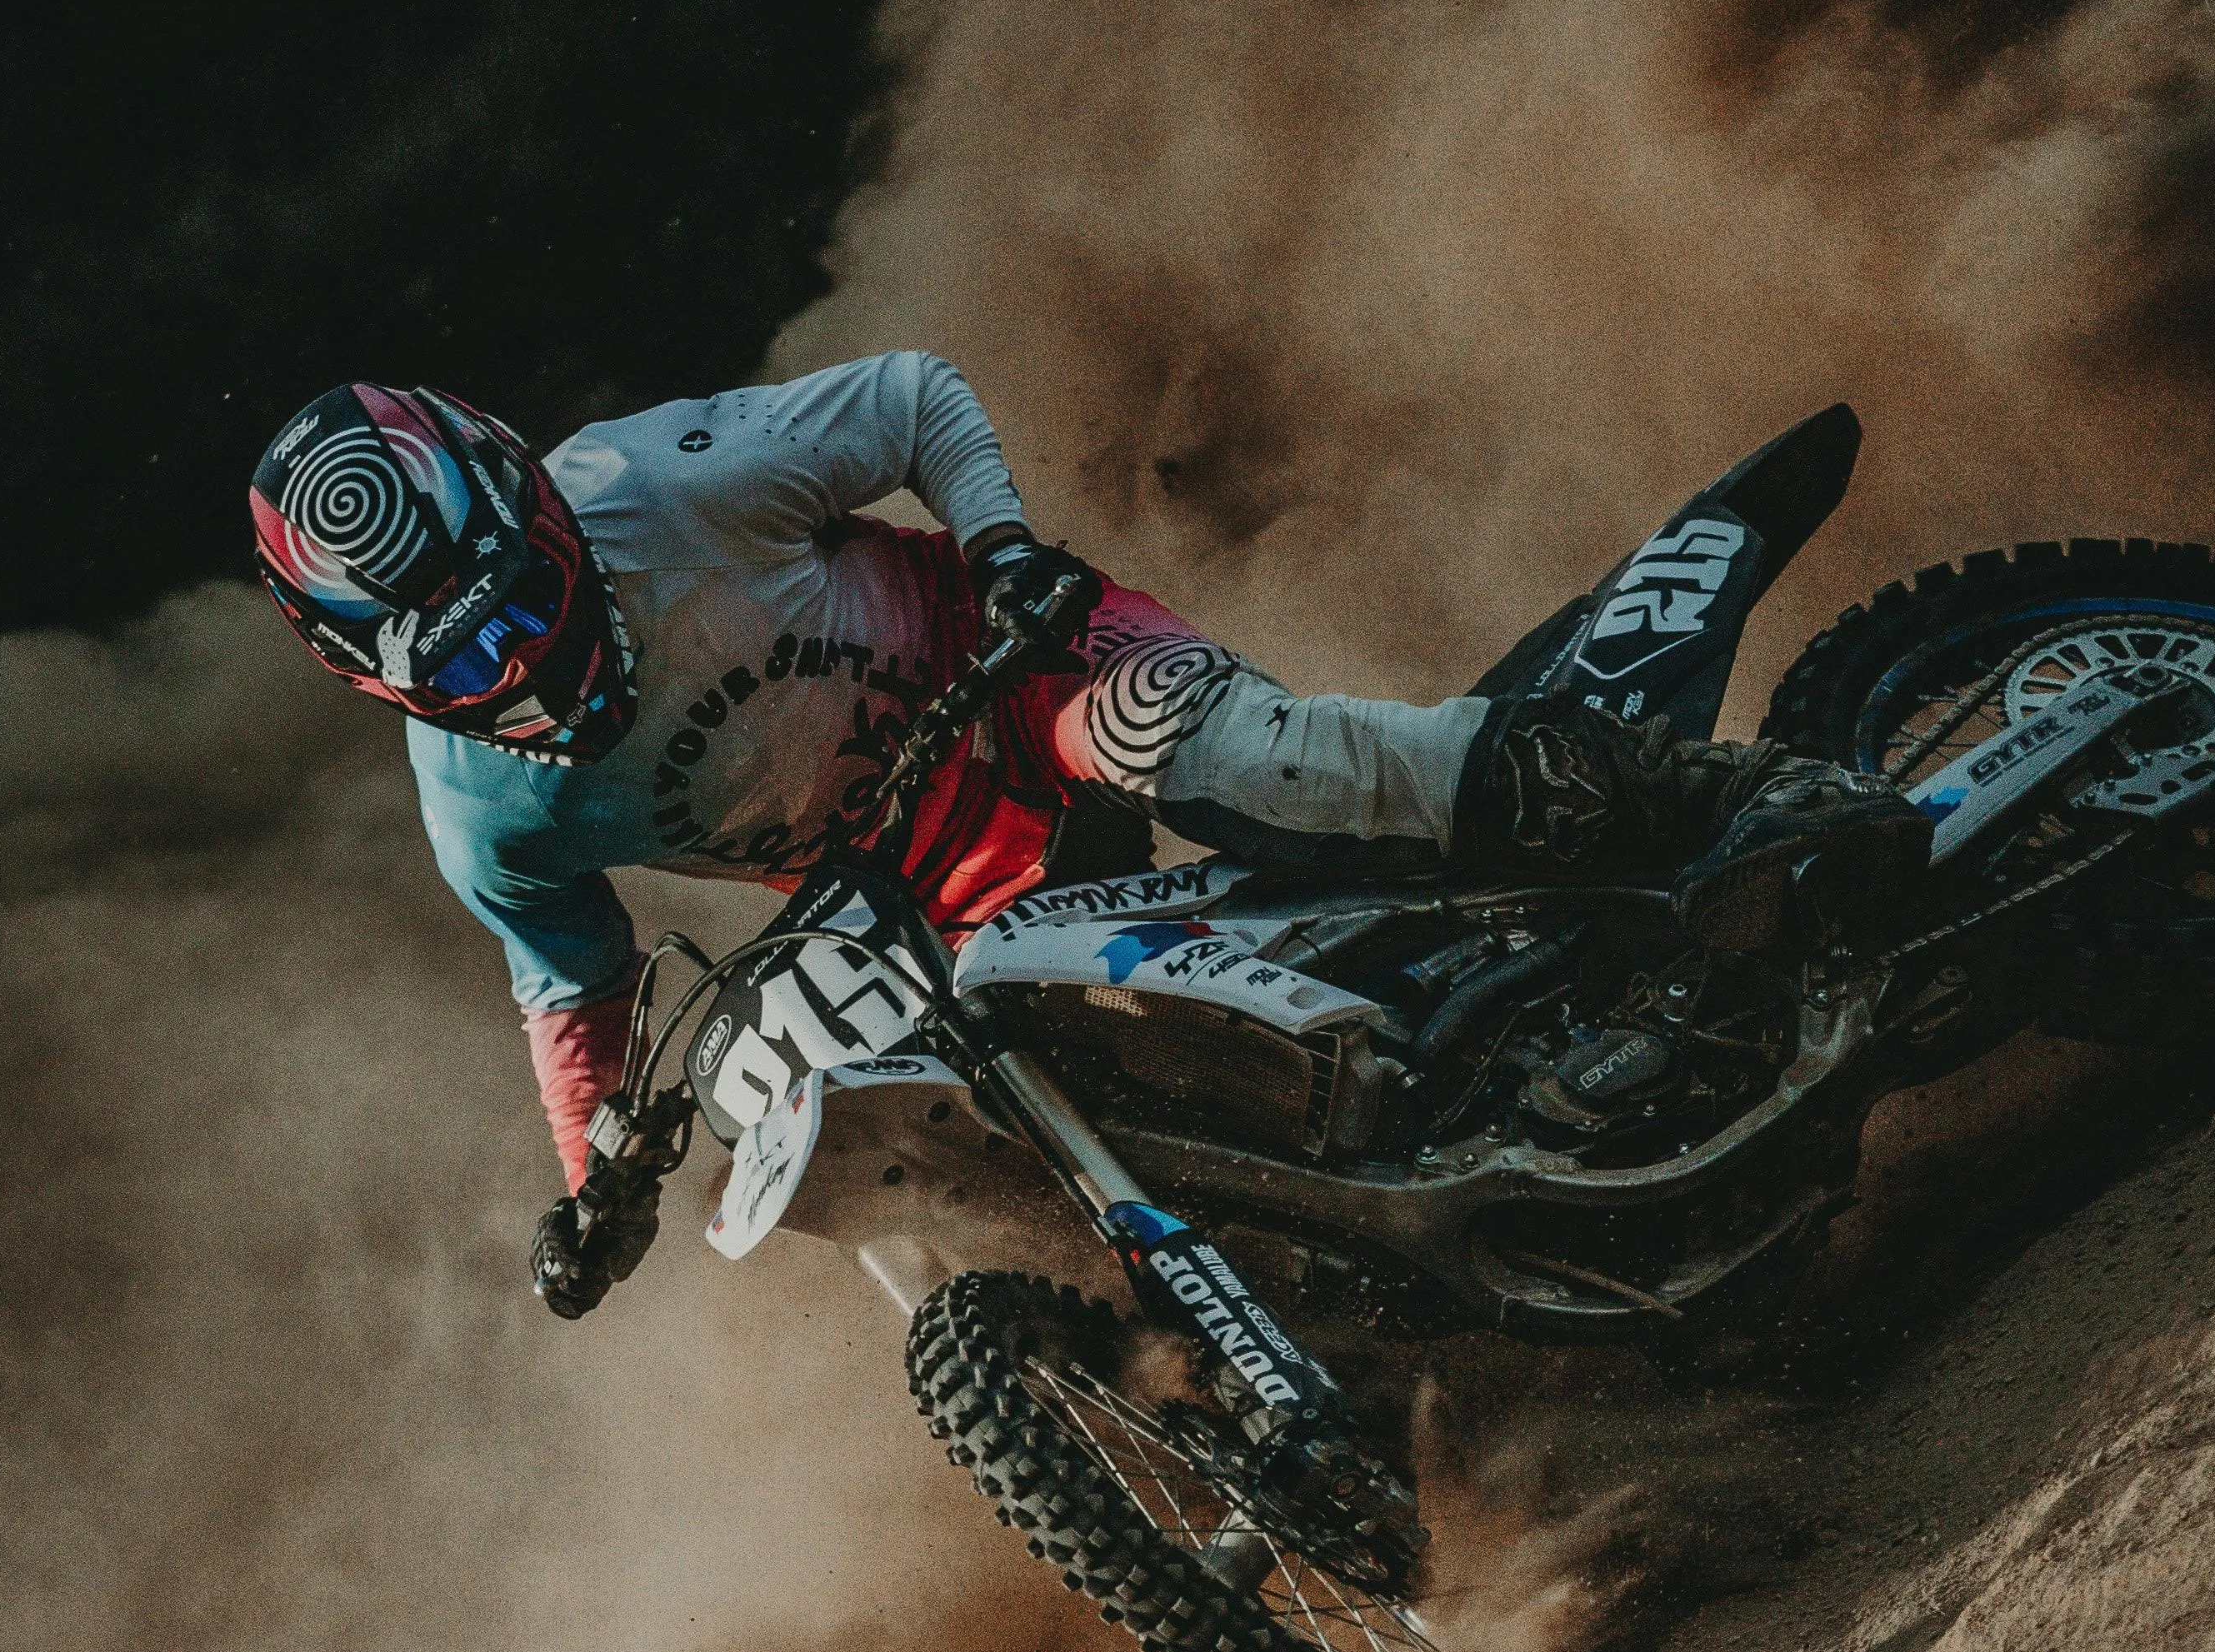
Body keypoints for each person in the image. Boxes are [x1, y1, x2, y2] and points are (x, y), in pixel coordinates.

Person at [247, 357, 1925, 1296]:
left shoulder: (666, 480)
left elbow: (908, 399)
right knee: (885, 1185)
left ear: (536, 497)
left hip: (1024, 680)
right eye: (470, 653)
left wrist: (999, 540)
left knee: (1249, 755)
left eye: (524, 585)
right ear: (381, 681)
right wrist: (595, 1176)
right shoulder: (482, 815)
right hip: (912, 886)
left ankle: (1737, 801)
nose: (520, 644)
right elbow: (570, 989)